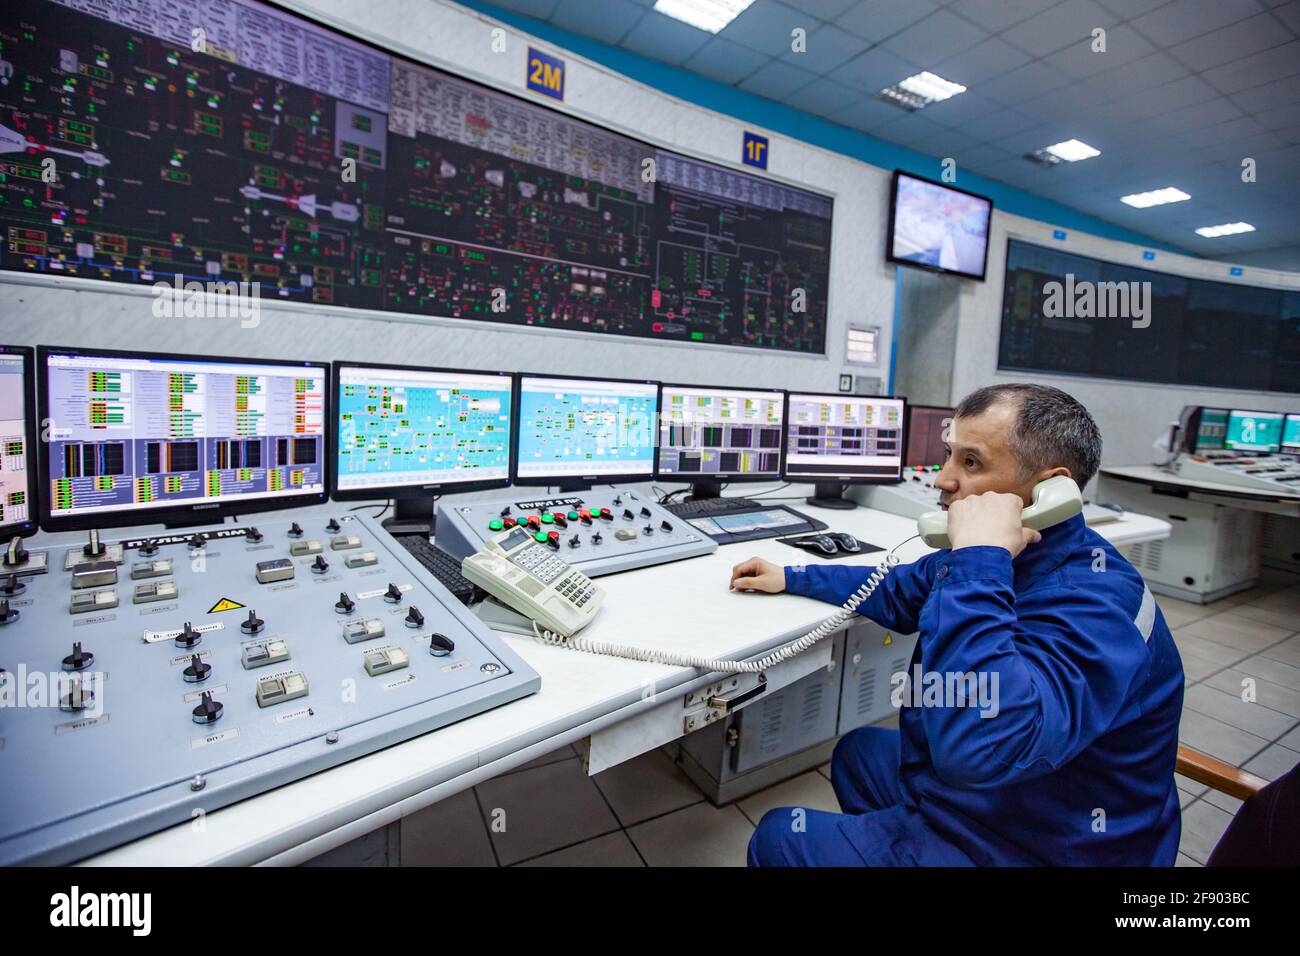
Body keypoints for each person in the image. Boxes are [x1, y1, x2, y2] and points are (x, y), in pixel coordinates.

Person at [731, 384, 1184, 866]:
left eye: (971, 463)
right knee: (860, 752)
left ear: (1050, 488)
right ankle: (912, 837)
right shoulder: (1025, 553)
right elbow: (902, 587)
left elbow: (985, 750)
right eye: (949, 455)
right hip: (1016, 797)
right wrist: (794, 576)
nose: (943, 480)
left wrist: (978, 559)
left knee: (779, 836)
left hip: (1053, 845)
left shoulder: (1093, 605)